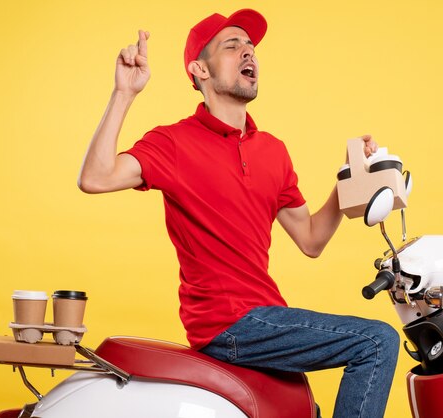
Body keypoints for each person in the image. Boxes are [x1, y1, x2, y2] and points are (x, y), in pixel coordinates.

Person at [78, 9, 399, 417]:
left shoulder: (273, 151)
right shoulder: (173, 143)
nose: (248, 52)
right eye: (232, 46)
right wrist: (124, 93)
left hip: (268, 319)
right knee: (376, 341)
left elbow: (312, 239)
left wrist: (347, 180)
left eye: (250, 47)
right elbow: (96, 177)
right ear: (200, 70)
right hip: (228, 325)